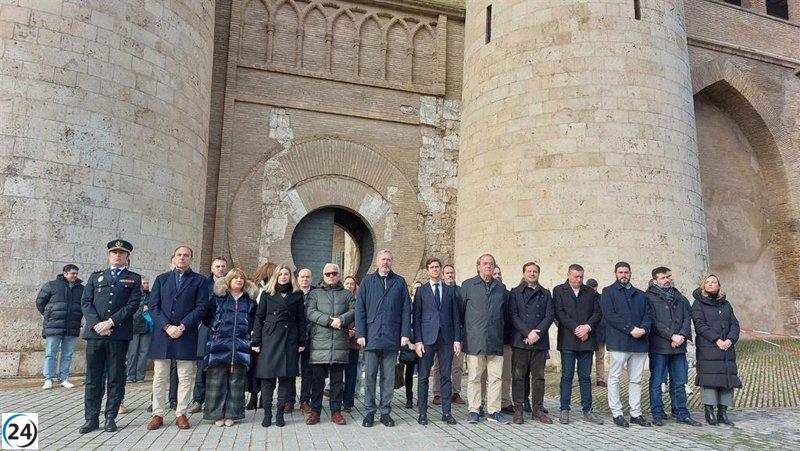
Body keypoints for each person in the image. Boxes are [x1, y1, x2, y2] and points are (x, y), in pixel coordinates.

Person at [79, 240, 141, 434]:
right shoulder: (95, 276)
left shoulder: (134, 279)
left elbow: (132, 305)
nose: (117, 255)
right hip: (95, 334)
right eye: (114, 252)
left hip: (118, 334)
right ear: (109, 255)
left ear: (127, 257)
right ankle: (91, 418)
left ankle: (110, 417)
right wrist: (98, 325)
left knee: (116, 377)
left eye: (121, 253)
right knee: (93, 378)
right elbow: (86, 302)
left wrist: (111, 322)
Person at [146, 246, 211, 431]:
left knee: (185, 376)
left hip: (186, 333)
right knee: (160, 376)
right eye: (179, 255)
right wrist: (167, 326)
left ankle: (181, 413)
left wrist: (182, 326)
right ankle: (158, 414)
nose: (182, 258)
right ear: (173, 258)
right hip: (163, 333)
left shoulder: (199, 280)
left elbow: (201, 307)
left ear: (191, 259)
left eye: (186, 255)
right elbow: (153, 305)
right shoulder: (162, 279)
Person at [355, 250, 411, 428]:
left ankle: (385, 412)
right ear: (377, 262)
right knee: (370, 376)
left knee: (388, 378)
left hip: (392, 336)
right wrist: (361, 334)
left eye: (388, 259)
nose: (385, 262)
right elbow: (360, 309)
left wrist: (405, 334)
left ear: (391, 262)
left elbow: (406, 309)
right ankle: (370, 411)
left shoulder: (399, 282)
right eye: (382, 259)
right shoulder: (367, 281)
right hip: (371, 336)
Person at [645, 266, 701, 427]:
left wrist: (682, 335)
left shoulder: (679, 296)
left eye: (668, 276)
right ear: (655, 280)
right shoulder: (648, 297)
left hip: (678, 346)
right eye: (663, 278)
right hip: (659, 347)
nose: (667, 280)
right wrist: (671, 335)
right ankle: (657, 413)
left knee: (679, 382)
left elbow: (687, 317)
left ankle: (681, 412)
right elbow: (652, 321)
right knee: (657, 382)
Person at [251, 265, 306, 427]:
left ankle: (280, 413)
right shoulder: (267, 294)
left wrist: (301, 341)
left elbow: (301, 320)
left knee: (285, 378)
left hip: (289, 339)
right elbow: (259, 318)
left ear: (290, 276)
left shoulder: (297, 295)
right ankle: (267, 413)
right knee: (267, 378)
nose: (283, 276)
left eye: (286, 274)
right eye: (280, 274)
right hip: (269, 339)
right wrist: (256, 341)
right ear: (276, 276)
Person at [600, 261, 652, 428]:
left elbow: (648, 315)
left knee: (636, 379)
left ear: (630, 273)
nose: (623, 275)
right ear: (615, 273)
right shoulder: (608, 292)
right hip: (619, 342)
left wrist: (643, 329)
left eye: (626, 272)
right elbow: (610, 315)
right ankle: (617, 413)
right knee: (614, 378)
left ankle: (635, 413)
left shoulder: (641, 294)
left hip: (639, 343)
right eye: (620, 272)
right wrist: (630, 329)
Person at [203, 268, 257, 427]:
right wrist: (216, 327)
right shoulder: (218, 298)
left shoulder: (249, 300)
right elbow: (207, 316)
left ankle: (233, 414)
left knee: (237, 381)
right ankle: (216, 414)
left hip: (240, 344)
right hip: (219, 343)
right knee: (216, 379)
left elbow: (254, 318)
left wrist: (248, 331)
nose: (239, 280)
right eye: (235, 278)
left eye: (241, 278)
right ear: (229, 280)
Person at [305, 263, 356, 426]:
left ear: (339, 275)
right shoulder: (315, 294)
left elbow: (354, 310)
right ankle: (315, 412)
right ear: (323, 275)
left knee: (337, 382)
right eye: (328, 274)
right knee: (317, 381)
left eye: (334, 273)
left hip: (339, 343)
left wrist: (341, 320)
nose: (331, 276)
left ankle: (336, 412)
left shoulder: (347, 294)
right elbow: (310, 312)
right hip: (319, 343)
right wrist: (329, 321)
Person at [461, 254, 509, 425]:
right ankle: (474, 410)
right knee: (474, 377)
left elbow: (505, 314)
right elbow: (461, 312)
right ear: (478, 266)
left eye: (491, 264)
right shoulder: (468, 285)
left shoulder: (501, 288)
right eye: (485, 263)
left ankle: (494, 411)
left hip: (495, 339)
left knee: (496, 378)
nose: (488, 266)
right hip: (475, 339)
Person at [553, 264, 603, 425]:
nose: (579, 280)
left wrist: (587, 328)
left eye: (581, 277)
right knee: (567, 375)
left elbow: (597, 313)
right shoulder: (559, 290)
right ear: (568, 275)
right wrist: (577, 328)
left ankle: (587, 410)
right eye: (576, 276)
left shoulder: (590, 292)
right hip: (568, 340)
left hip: (586, 340)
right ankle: (564, 409)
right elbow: (559, 313)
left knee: (585, 377)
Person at [414, 258, 461, 426]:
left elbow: (456, 317)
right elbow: (417, 318)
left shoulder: (450, 291)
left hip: (446, 339)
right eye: (432, 267)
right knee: (423, 376)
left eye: (437, 267)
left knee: (446, 376)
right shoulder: (421, 291)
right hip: (427, 339)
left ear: (441, 269)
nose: (435, 269)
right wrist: (418, 341)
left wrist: (457, 339)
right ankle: (422, 412)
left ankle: (446, 412)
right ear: (427, 270)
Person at [692, 274, 741, 427]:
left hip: (726, 348)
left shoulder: (726, 304)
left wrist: (730, 339)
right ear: (703, 285)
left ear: (718, 285)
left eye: (714, 282)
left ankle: (722, 412)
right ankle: (709, 412)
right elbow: (699, 325)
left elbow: (734, 324)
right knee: (710, 380)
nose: (711, 284)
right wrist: (717, 340)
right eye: (707, 282)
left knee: (726, 380)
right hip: (708, 347)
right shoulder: (698, 304)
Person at [508, 262, 554, 425]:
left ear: (538, 274)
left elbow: (549, 315)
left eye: (535, 271)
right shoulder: (515, 292)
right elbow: (513, 315)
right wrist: (527, 333)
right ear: (524, 273)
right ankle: (518, 409)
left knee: (539, 377)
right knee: (518, 376)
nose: (532, 273)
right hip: (520, 341)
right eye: (529, 271)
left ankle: (538, 410)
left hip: (539, 342)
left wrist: (537, 334)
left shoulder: (546, 293)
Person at [188, 257, 228, 414]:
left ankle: (216, 401)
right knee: (202, 365)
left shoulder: (230, 283)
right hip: (205, 327)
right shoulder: (203, 283)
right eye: (217, 266)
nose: (220, 269)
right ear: (212, 268)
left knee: (219, 366)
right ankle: (198, 400)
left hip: (224, 330)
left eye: (223, 266)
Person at [37, 264, 84, 390]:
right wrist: (46, 315)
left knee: (67, 354)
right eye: (72, 273)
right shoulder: (51, 285)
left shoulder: (81, 289)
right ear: (65, 273)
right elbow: (40, 301)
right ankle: (48, 379)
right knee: (51, 353)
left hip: (72, 325)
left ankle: (64, 378)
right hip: (54, 325)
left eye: (76, 273)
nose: (75, 275)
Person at [431, 264, 465, 406]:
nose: (450, 275)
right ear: (443, 275)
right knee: (439, 364)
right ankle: (438, 393)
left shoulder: (461, 291)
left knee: (458, 365)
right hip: (441, 335)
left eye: (452, 272)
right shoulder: (439, 290)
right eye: (447, 273)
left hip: (458, 333)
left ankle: (455, 393)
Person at [247, 262, 276, 410]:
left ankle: (264, 397)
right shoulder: (254, 290)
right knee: (255, 366)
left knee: (268, 366)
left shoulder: (275, 290)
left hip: (269, 334)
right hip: (256, 333)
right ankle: (254, 395)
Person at [492, 265, 515, 415]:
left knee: (506, 374)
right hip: (489, 341)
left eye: (499, 273)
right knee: (487, 375)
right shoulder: (484, 293)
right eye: (495, 273)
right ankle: (484, 401)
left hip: (505, 340)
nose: (497, 276)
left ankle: (505, 401)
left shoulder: (508, 294)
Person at [400, 280, 423, 409]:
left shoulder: (426, 303)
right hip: (409, 342)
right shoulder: (407, 304)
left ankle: (421, 398)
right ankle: (409, 399)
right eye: (415, 288)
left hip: (422, 342)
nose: (417, 290)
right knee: (409, 373)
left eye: (420, 288)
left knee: (422, 373)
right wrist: (408, 342)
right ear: (412, 290)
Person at [294, 267, 314, 414]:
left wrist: (308, 330)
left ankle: (305, 400)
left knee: (308, 371)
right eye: (302, 276)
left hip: (311, 337)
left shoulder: (316, 294)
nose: (305, 279)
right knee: (291, 369)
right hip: (294, 338)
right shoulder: (293, 294)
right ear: (298, 279)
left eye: (307, 276)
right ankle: (289, 400)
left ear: (311, 278)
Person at [126, 278, 152, 383]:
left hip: (146, 326)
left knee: (144, 352)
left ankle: (140, 376)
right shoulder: (134, 294)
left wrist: (149, 308)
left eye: (147, 283)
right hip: (134, 326)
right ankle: (130, 375)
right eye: (144, 283)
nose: (146, 285)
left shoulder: (151, 295)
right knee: (132, 352)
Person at [342, 275, 361, 412]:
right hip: (339, 341)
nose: (349, 286)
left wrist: (353, 331)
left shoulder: (359, 301)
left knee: (351, 373)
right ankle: (337, 399)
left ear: (355, 287)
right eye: (347, 283)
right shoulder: (339, 299)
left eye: (351, 284)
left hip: (353, 342)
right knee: (337, 373)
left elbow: (362, 318)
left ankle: (348, 402)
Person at [586, 278, 607, 388]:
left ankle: (600, 379)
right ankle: (586, 378)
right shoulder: (584, 298)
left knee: (600, 358)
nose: (593, 289)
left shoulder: (602, 298)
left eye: (594, 287)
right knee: (587, 358)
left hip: (600, 332)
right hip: (588, 333)